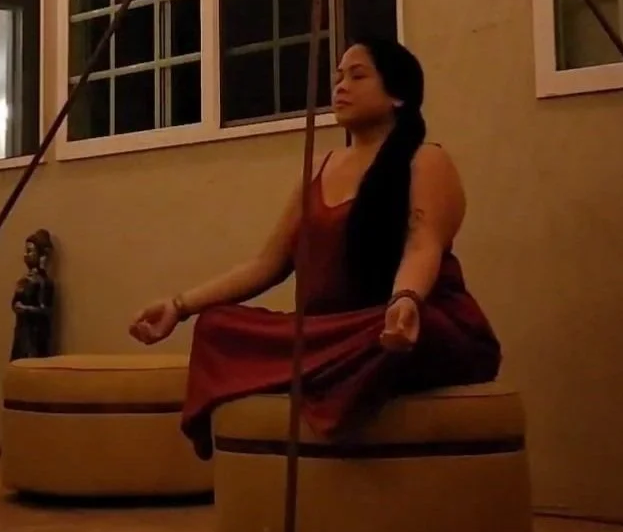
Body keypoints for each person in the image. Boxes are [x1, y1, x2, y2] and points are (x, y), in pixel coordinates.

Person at [129, 38, 501, 459]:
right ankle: (327, 371)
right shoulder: (319, 167)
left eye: (357, 75)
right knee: (217, 327)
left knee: (388, 339)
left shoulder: (426, 160)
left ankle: (324, 370)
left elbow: (422, 245)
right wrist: (179, 307)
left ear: (398, 94)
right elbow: (266, 263)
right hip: (335, 333)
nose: (341, 86)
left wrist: (405, 300)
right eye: (338, 76)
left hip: (406, 323)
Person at [11, 229, 56, 360]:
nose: (25, 255)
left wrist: (25, 309)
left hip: (35, 335)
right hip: (22, 331)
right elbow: (15, 302)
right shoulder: (24, 280)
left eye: (30, 251)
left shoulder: (44, 282)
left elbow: (46, 310)